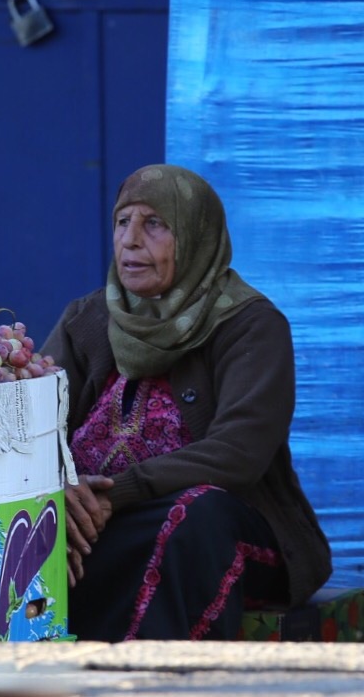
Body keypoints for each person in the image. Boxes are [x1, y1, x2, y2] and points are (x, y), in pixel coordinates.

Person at [41, 163, 331, 642]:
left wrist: (117, 493)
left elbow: (238, 454)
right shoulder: (86, 320)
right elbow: (32, 427)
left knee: (196, 514)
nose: (131, 240)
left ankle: (161, 682)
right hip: (97, 526)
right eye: (122, 221)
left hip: (222, 534)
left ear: (196, 236)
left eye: (155, 223)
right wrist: (63, 493)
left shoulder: (250, 326)